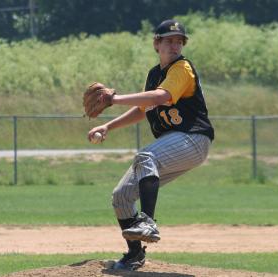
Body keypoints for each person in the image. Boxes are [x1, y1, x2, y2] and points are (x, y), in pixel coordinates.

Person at [87, 19, 215, 271]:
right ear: (157, 43)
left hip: (193, 137)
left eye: (179, 41)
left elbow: (161, 97)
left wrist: (115, 98)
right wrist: (107, 126)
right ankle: (134, 254)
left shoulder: (182, 68)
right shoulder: (155, 74)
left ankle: (147, 221)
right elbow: (145, 108)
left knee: (145, 155)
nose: (175, 45)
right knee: (121, 196)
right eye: (169, 40)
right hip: (175, 143)